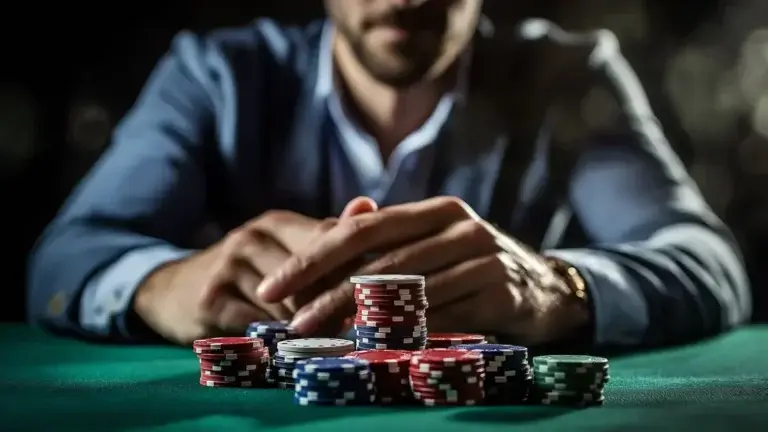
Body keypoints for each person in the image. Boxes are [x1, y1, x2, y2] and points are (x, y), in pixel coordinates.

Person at [28, 0, 751, 348]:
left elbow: (708, 262)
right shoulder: (216, 76)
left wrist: (558, 285)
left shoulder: (566, 75)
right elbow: (62, 258)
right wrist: (164, 285)